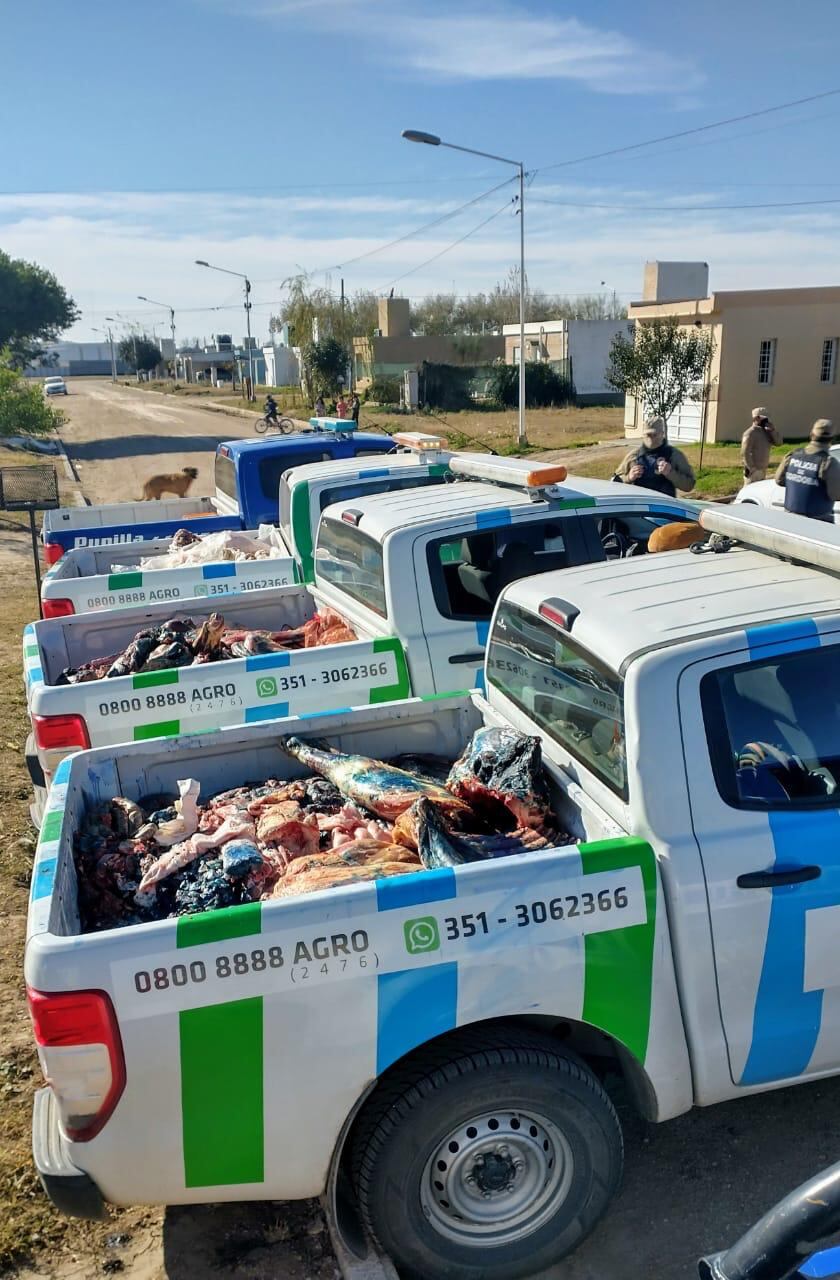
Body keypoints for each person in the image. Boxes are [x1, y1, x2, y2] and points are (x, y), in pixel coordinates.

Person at [775, 418, 840, 522]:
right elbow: (836, 495)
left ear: (811, 435)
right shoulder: (829, 462)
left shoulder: (793, 455)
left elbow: (779, 480)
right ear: (832, 439)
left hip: (789, 519)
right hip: (818, 522)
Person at [615, 416, 695, 497]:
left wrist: (670, 473)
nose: (651, 438)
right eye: (648, 434)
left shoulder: (674, 455)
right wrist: (628, 477)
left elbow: (689, 486)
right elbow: (613, 483)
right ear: (643, 435)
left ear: (662, 434)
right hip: (639, 506)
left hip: (665, 506)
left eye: (655, 434)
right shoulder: (634, 456)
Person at [741, 407, 781, 483]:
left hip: (763, 470)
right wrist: (752, 469)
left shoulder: (767, 432)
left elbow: (779, 443)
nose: (765, 420)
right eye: (763, 418)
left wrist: (773, 431)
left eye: (767, 418)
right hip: (753, 471)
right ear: (756, 418)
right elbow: (744, 453)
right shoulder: (750, 433)